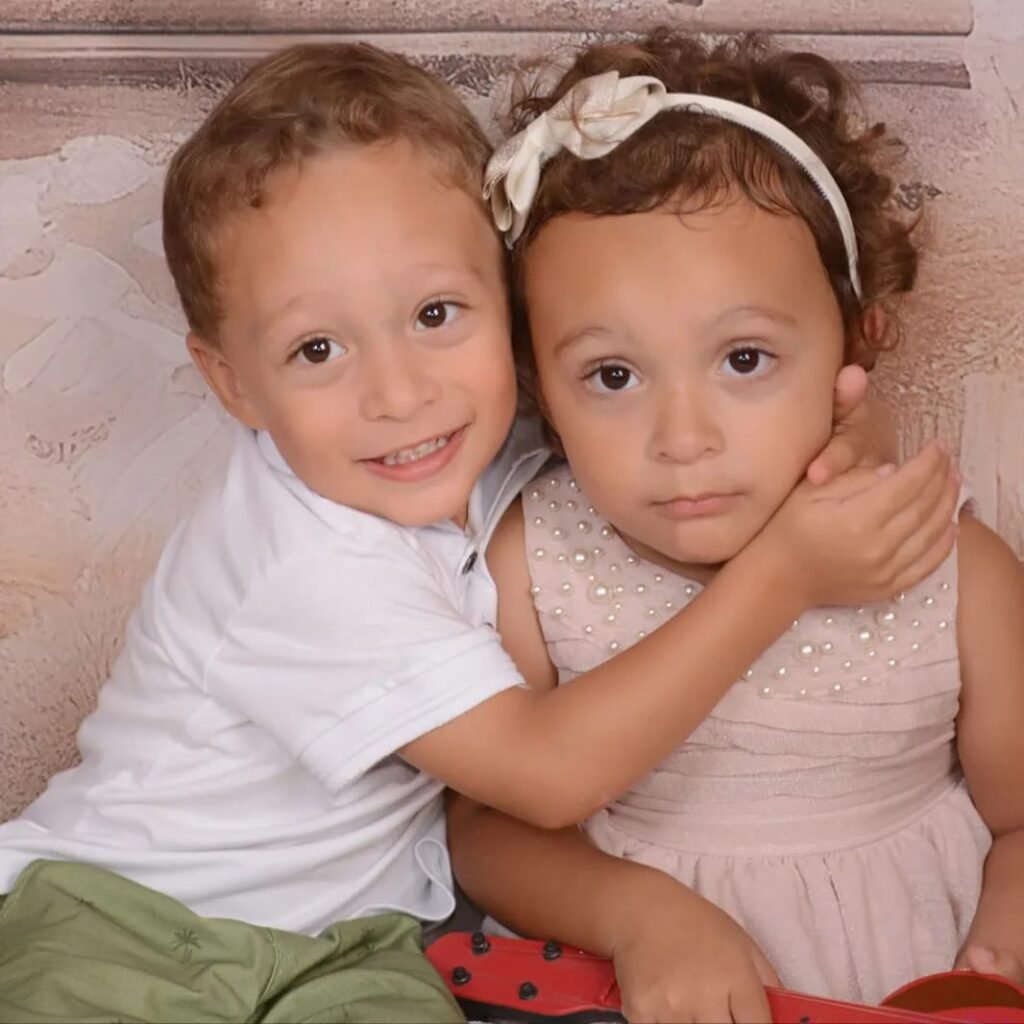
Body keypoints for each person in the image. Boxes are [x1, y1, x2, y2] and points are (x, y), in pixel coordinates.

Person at [0, 39, 957, 1023]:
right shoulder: (300, 560)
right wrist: (784, 574)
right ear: (232, 381)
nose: (399, 392)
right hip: (126, 919)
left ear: (510, 310)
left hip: (348, 945)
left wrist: (844, 431)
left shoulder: (462, 446)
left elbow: (662, 397)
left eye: (435, 313)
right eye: (317, 348)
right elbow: (546, 774)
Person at [449, 30, 1024, 1024]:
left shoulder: (951, 565)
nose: (684, 439)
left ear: (856, 342)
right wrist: (636, 913)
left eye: (744, 360)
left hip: (907, 976)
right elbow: (482, 830)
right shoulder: (536, 565)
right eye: (613, 375)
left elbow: (1020, 819)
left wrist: (1004, 941)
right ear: (538, 383)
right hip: (638, 986)